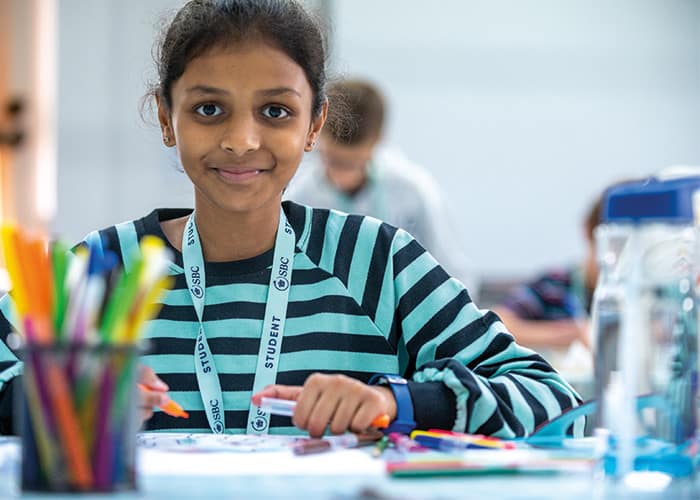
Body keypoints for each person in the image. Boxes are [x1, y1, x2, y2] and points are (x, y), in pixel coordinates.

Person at [0, 0, 580, 438]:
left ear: (314, 126)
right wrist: (49, 402)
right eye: (209, 109)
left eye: (275, 111)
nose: (241, 140)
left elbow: (554, 400)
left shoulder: (378, 264)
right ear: (166, 118)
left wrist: (397, 404)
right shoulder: (102, 272)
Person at [285, 79, 475, 292]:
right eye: (334, 161)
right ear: (316, 132)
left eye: (352, 163)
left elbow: (454, 275)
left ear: (378, 141)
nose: (342, 177)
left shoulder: (413, 191)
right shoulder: (295, 194)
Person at [491, 189, 606, 351]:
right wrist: (571, 335)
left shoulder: (647, 299)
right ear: (589, 230)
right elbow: (496, 324)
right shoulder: (552, 287)